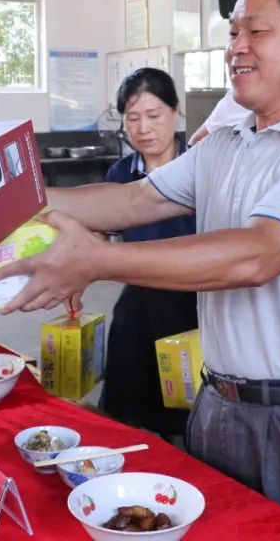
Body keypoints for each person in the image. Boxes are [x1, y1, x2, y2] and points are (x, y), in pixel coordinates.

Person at [0, 0, 280, 540]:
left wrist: (96, 261)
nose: (237, 48)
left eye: (257, 31)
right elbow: (134, 200)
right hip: (218, 404)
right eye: (233, 33)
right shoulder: (227, 143)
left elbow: (258, 255)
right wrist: (4, 205)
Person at [100, 68, 197, 441]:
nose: (143, 128)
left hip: (194, 306)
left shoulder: (201, 165)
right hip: (139, 305)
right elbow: (101, 229)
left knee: (188, 414)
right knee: (127, 409)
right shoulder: (121, 174)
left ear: (175, 112)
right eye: (133, 118)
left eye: (154, 115)